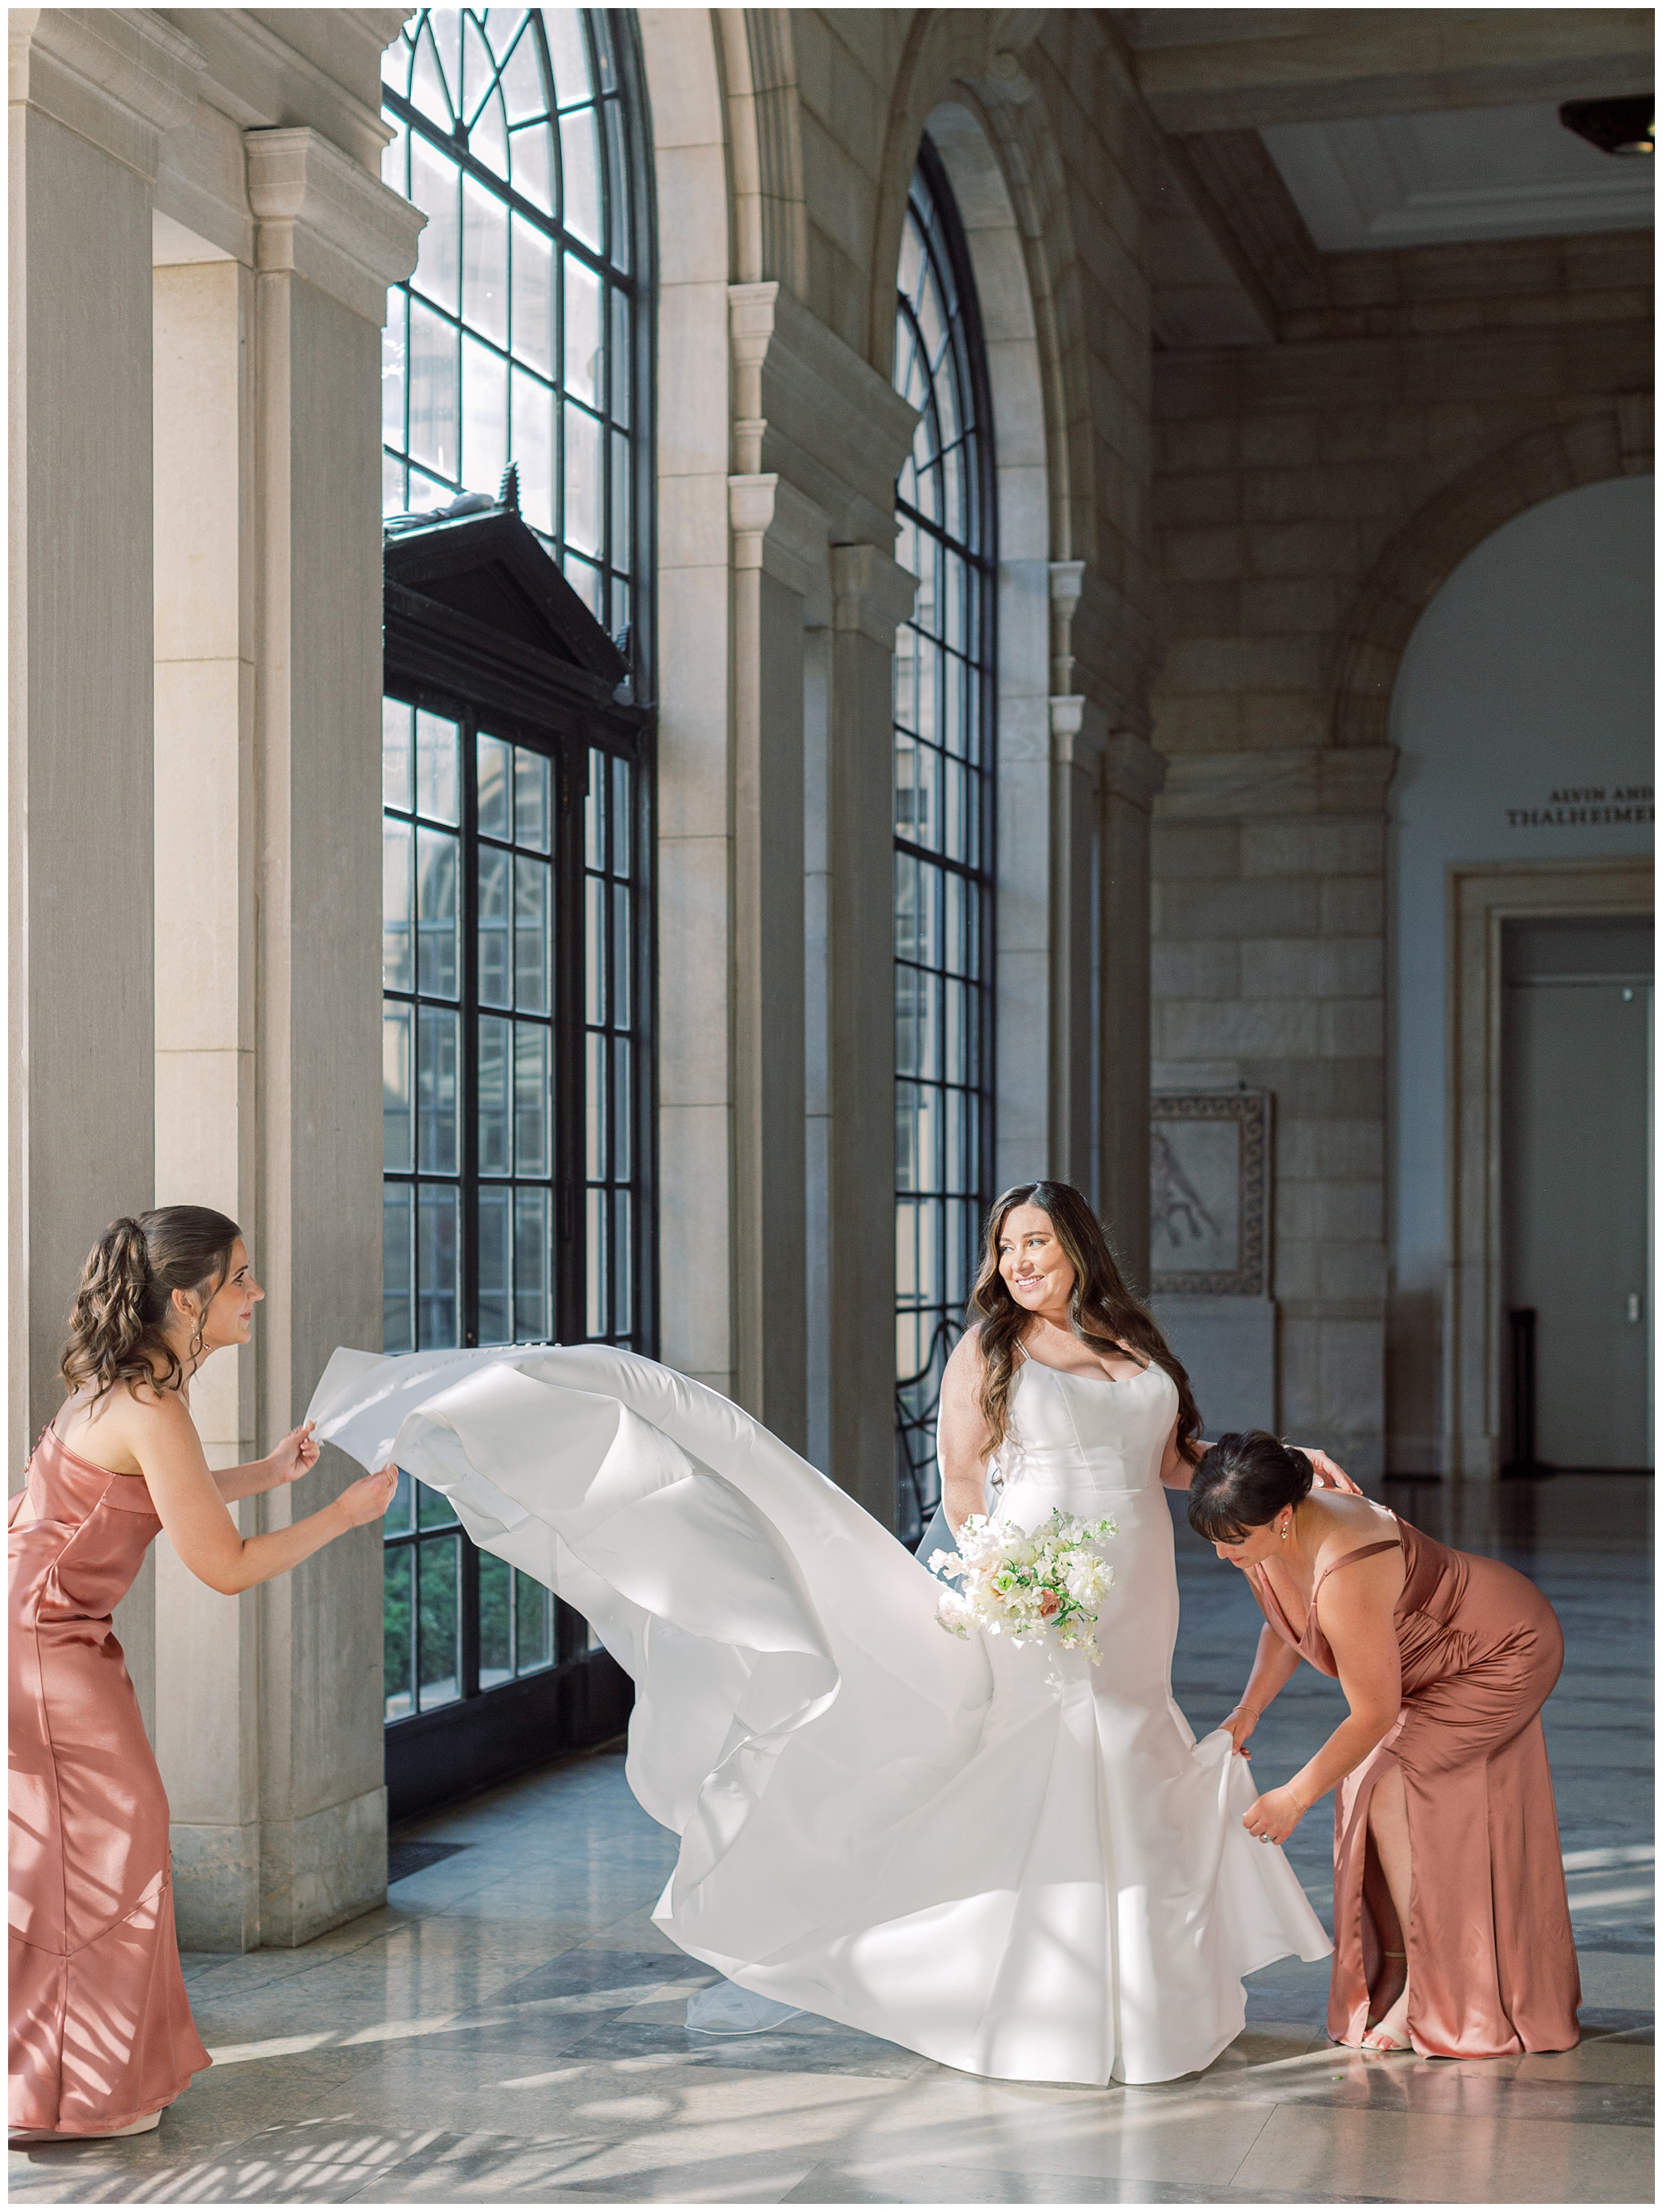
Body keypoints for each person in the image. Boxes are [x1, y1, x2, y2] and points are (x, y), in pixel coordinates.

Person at [310, 1181, 1338, 2088]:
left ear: (1078, 1249)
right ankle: (1042, 2002)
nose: (1019, 1262)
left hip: (1135, 1579)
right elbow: (965, 1480)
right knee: (1064, 1755)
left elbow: (1173, 1459)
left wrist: (1283, 1462)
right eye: (1006, 1246)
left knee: (1132, 1739)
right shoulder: (991, 1346)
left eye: (1037, 1242)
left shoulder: (1132, 1344)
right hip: (1035, 1580)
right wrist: (1003, 1580)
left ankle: (1148, 1994)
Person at [9, 1209, 398, 2144]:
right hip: (43, 1650)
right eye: (241, 1278)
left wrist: (266, 1473)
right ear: (187, 1298)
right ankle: (72, 2098)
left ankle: (69, 2086)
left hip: (49, 1640)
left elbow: (144, 1487)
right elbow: (222, 1567)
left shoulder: (128, 1392)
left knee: (82, 1853)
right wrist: (343, 1516)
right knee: (108, 1849)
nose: (256, 1293)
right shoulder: (150, 1405)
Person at [1189, 1430, 1581, 2059]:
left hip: (1499, 1651)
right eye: (1212, 1539)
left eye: (1234, 1542)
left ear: (1283, 1518)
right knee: (1376, 1789)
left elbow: (1372, 1714)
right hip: (1428, 1666)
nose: (1221, 1555)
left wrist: (1293, 1797)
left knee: (1388, 1786)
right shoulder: (1268, 1521)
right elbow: (1282, 1617)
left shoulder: (1347, 1564)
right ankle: (1405, 1972)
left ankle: (1426, 1991)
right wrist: (1248, 1710)